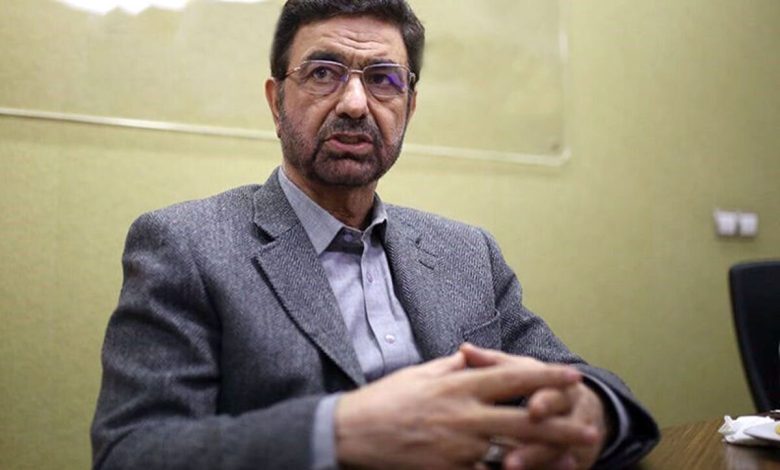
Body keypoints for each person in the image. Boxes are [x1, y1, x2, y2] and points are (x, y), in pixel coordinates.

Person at [91, 1, 659, 468]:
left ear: (409, 105)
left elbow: (572, 377)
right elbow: (132, 452)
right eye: (323, 73)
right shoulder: (186, 245)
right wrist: (338, 431)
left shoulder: (467, 253)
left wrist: (592, 409)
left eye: (384, 80)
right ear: (275, 102)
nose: (355, 104)